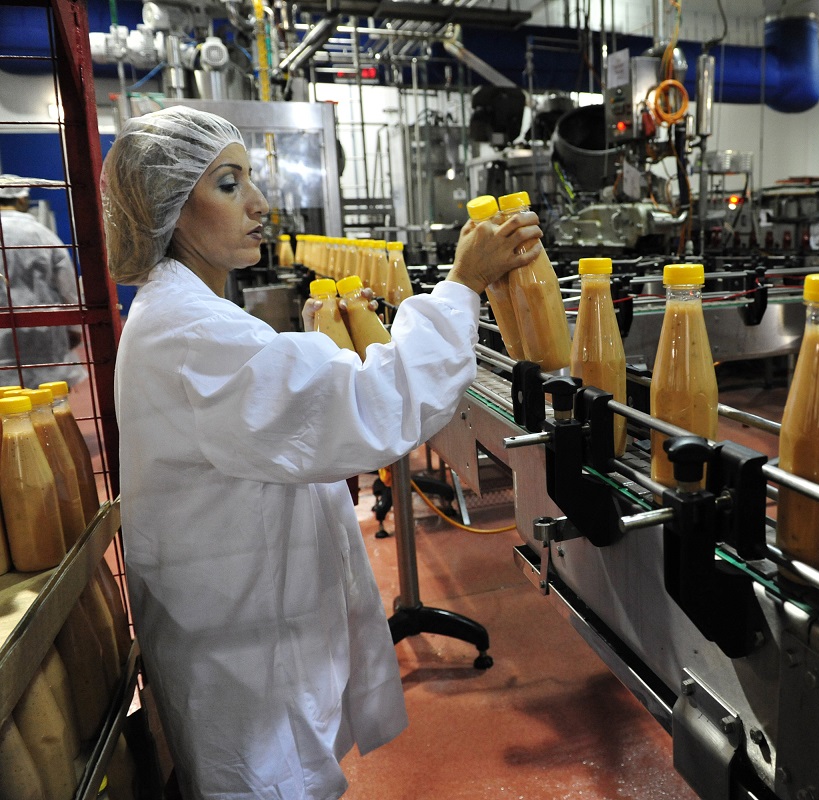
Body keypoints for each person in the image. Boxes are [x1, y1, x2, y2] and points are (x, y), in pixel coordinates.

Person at [100, 106, 543, 799]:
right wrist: (461, 286)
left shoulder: (187, 316)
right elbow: (372, 409)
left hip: (241, 631)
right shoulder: (190, 334)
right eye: (228, 185)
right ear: (170, 206)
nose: (259, 205)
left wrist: (307, 351)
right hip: (242, 659)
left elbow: (276, 411)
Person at [0, 174, 87, 387]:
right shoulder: (43, 235)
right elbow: (68, 288)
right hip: (45, 339)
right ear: (21, 199)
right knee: (48, 409)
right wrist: (75, 329)